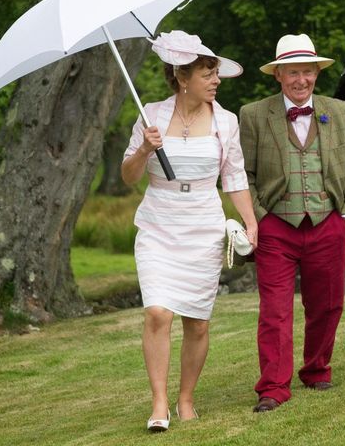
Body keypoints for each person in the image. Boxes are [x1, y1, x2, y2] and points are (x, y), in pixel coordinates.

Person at [121, 30, 258, 431]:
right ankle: (159, 403)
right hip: (158, 225)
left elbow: (234, 178)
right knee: (158, 312)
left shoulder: (226, 122)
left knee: (197, 321)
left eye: (216, 73)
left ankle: (186, 399)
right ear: (183, 77)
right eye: (207, 73)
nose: (216, 80)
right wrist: (145, 150)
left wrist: (250, 221)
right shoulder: (151, 116)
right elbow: (128, 177)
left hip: (204, 223)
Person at [239, 33, 345, 412]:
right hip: (276, 225)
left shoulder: (339, 111)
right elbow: (242, 174)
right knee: (274, 310)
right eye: (293, 73)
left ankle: (317, 369)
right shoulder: (253, 115)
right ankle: (273, 387)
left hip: (328, 221)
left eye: (308, 72)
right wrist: (258, 218)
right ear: (278, 75)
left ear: (316, 73)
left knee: (327, 305)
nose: (301, 80)